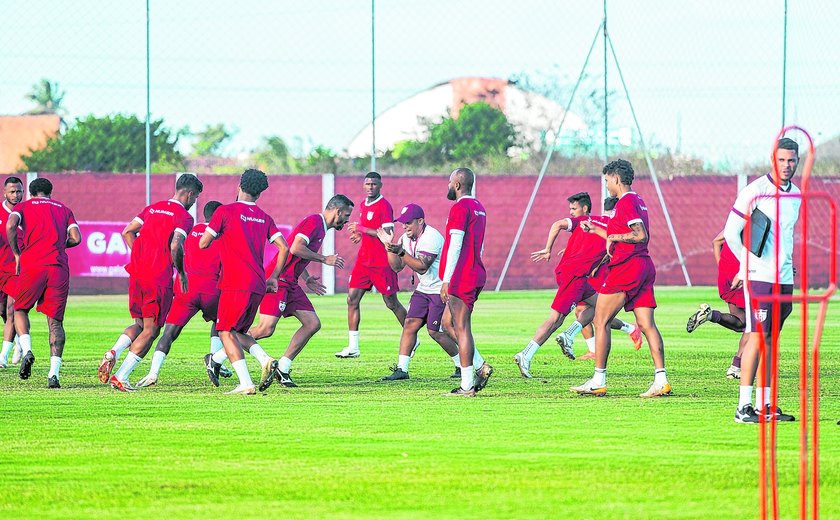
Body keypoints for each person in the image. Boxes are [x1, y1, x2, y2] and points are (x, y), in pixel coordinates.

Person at [209, 195, 353, 388]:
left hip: (291, 283)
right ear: (337, 211)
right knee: (264, 329)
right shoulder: (314, 222)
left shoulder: (321, 227)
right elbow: (295, 248)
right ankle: (217, 358)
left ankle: (282, 368)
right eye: (347, 214)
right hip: (278, 281)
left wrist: (306, 277)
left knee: (312, 323)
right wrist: (324, 258)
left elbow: (298, 254)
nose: (347, 219)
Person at [570, 159, 671, 398]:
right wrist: (596, 230)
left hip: (627, 268)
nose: (606, 185)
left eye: (607, 181)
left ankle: (598, 380)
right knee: (646, 325)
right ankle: (661, 380)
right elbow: (620, 235)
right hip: (643, 266)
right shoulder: (638, 201)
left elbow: (640, 235)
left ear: (616, 178)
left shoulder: (626, 202)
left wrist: (614, 237)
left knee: (600, 320)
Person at [514, 193, 640, 378]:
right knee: (555, 320)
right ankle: (525, 355)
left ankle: (570, 335)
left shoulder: (589, 220)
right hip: (574, 276)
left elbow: (558, 225)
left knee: (600, 305)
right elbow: (611, 253)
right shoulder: (615, 231)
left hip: (575, 276)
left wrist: (549, 249)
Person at [101, 174, 203, 391]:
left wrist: (140, 256)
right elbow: (176, 246)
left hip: (137, 274)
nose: (194, 203)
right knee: (152, 329)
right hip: (157, 278)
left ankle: (114, 352)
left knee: (140, 324)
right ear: (190, 194)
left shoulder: (152, 208)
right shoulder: (184, 217)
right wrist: (181, 272)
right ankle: (122, 376)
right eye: (195, 199)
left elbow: (128, 231)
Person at [725, 138, 801, 424]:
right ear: (773, 159)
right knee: (757, 338)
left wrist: (789, 266)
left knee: (771, 340)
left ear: (797, 161)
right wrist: (746, 265)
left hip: (783, 278)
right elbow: (731, 232)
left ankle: (766, 404)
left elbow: (786, 238)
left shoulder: (796, 194)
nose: (786, 165)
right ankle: (743, 407)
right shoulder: (755, 190)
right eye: (781, 160)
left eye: (791, 160)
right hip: (759, 277)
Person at [200, 169, 290, 395]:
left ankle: (245, 383)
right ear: (260, 193)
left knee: (224, 331)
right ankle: (264, 359)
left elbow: (203, 243)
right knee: (239, 331)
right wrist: (274, 277)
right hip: (258, 283)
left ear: (239, 186)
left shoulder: (224, 211)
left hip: (234, 283)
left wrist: (220, 235)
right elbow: (284, 247)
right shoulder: (264, 217)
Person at [135, 201, 232, 388]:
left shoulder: (190, 231)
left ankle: (152, 373)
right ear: (219, 216)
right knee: (220, 323)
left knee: (169, 334)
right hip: (212, 290)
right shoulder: (222, 237)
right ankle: (215, 359)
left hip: (185, 289)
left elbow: (175, 250)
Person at [378, 203, 476, 381]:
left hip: (440, 289)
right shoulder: (405, 238)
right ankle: (402, 369)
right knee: (409, 324)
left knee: (435, 331)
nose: (405, 226)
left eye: (408, 222)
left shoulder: (431, 237)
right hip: (423, 289)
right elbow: (397, 267)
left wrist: (400, 251)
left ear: (420, 221)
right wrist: (389, 246)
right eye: (403, 223)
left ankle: (461, 364)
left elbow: (422, 267)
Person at [7, 177, 81, 388]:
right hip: (58, 267)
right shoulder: (64, 209)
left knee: (19, 309)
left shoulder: (23, 206)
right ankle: (53, 374)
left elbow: (11, 225)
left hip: (32, 265)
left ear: (31, 193)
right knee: (55, 322)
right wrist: (57, 244)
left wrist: (17, 253)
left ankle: (27, 349)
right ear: (50, 192)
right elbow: (76, 238)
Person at [335, 172, 408, 359]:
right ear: (363, 185)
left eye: (374, 184)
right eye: (367, 184)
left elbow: (388, 234)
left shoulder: (384, 206)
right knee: (352, 299)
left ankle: (412, 337)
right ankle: (353, 346)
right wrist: (360, 236)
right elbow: (367, 231)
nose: (370, 187)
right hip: (363, 261)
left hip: (382, 262)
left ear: (380, 185)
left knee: (391, 302)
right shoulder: (361, 205)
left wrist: (362, 229)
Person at [440, 168, 493, 396]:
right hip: (475, 271)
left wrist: (446, 280)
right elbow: (479, 245)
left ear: (458, 185)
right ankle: (480, 366)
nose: (448, 185)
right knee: (447, 324)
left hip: (462, 275)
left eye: (450, 182)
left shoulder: (459, 208)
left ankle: (467, 385)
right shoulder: (479, 208)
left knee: (461, 328)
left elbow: (455, 244)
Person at [686, 229, 748, 379]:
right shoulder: (758, 223)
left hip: (727, 275)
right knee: (756, 325)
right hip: (743, 275)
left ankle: (710, 315)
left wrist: (723, 268)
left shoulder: (736, 221)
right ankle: (736, 366)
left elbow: (716, 242)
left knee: (742, 323)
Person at [0, 177, 23, 368]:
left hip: (17, 269)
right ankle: (16, 339)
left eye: (19, 191)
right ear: (4, 193)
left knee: (12, 310)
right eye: (12, 192)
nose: (16, 195)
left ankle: (3, 356)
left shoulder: (25, 212)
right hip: (1, 269)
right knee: (2, 311)